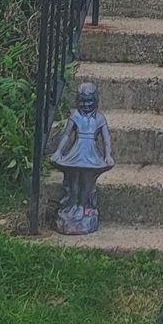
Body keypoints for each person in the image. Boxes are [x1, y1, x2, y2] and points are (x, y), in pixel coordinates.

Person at [50, 81, 114, 234]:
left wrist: (108, 155)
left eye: (90, 101)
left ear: (96, 100)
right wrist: (59, 151)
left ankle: (83, 206)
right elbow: (66, 135)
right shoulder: (75, 116)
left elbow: (106, 140)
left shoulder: (99, 119)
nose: (86, 105)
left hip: (91, 154)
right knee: (73, 180)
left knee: (87, 181)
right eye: (82, 101)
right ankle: (71, 206)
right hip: (76, 152)